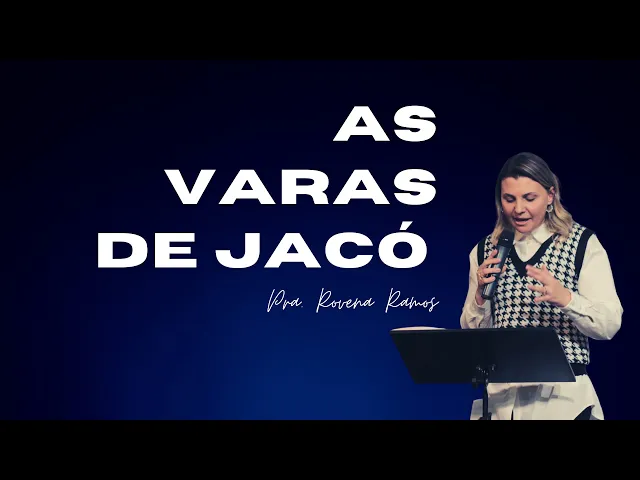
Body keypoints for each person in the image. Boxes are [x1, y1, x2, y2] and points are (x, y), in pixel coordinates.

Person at [460, 152, 623, 420]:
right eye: (509, 199)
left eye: (529, 198)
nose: (518, 209)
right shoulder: (485, 251)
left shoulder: (580, 244)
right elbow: (474, 337)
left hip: (563, 403)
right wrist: (479, 297)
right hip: (501, 402)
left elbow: (609, 324)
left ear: (550, 195)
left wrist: (567, 299)